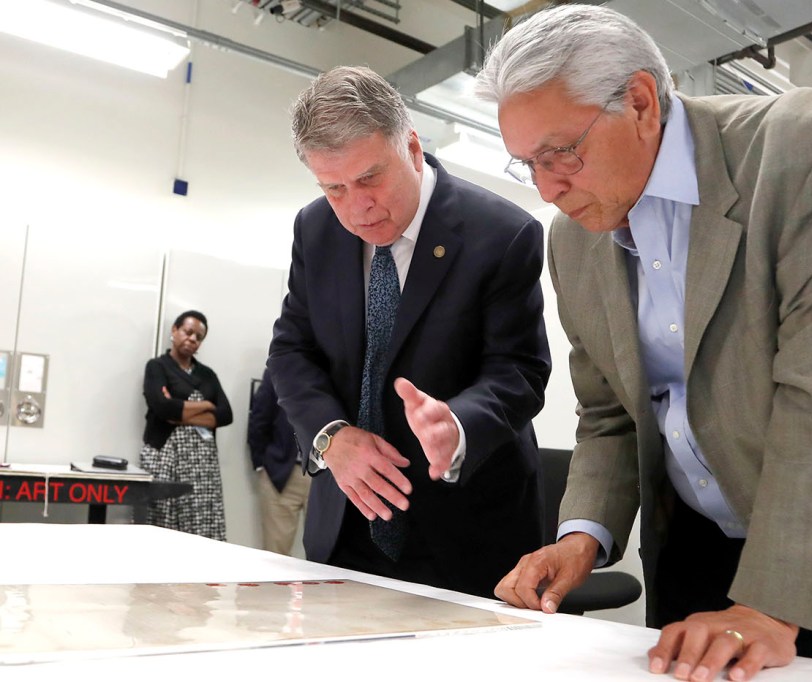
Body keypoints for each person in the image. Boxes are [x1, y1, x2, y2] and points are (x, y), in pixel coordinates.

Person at [476, 6, 812, 682]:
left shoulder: (803, 150)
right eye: (527, 163)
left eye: (561, 153)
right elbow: (612, 411)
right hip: (704, 551)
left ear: (641, 102)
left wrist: (768, 602)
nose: (548, 189)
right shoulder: (573, 239)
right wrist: (582, 536)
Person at [267, 65, 551, 600]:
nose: (357, 207)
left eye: (370, 178)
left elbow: (520, 371)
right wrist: (330, 437)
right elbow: (291, 350)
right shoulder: (316, 229)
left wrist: (459, 427)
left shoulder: (503, 233)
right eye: (334, 188)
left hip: (468, 533)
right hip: (349, 524)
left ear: (413, 148)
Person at [141, 310, 233, 541]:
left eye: (199, 337)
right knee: (163, 524)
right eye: (188, 332)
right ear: (175, 330)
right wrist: (206, 404)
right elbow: (162, 408)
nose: (192, 339)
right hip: (165, 457)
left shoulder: (207, 374)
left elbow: (226, 415)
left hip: (203, 463)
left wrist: (179, 411)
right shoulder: (157, 367)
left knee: (202, 527)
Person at [248, 367, 310, 555]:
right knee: (276, 554)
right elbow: (259, 419)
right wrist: (263, 464)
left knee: (326, 557)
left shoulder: (340, 369)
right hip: (282, 473)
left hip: (327, 475)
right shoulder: (279, 370)